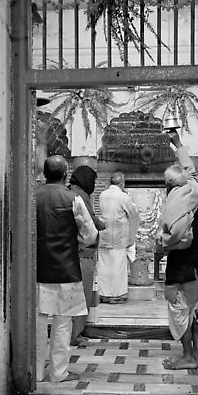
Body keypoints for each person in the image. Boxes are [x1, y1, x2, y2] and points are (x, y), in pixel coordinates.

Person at [36, 155, 98, 383]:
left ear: (45, 174)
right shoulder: (73, 199)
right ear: (65, 174)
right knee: (63, 324)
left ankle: (35, 373)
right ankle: (59, 373)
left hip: (36, 270)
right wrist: (79, 240)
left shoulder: (31, 196)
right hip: (66, 269)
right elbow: (90, 235)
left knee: (38, 323)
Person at [156, 130, 198, 370]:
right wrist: (178, 144)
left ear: (168, 184)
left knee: (179, 311)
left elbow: (171, 236)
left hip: (181, 268)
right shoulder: (196, 191)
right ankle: (197, 356)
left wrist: (163, 240)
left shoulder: (175, 202)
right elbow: (192, 170)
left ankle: (187, 356)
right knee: (195, 311)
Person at [68, 165, 106, 346]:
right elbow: (92, 222)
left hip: (70, 253)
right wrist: (103, 224)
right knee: (82, 295)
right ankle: (76, 335)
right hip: (83, 253)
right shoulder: (80, 196)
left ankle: (72, 333)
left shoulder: (69, 192)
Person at [96, 172, 138, 304]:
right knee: (117, 267)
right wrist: (132, 237)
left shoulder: (102, 195)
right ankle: (116, 295)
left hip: (104, 235)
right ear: (122, 183)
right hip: (119, 237)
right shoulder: (124, 197)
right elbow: (133, 215)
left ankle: (103, 294)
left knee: (104, 266)